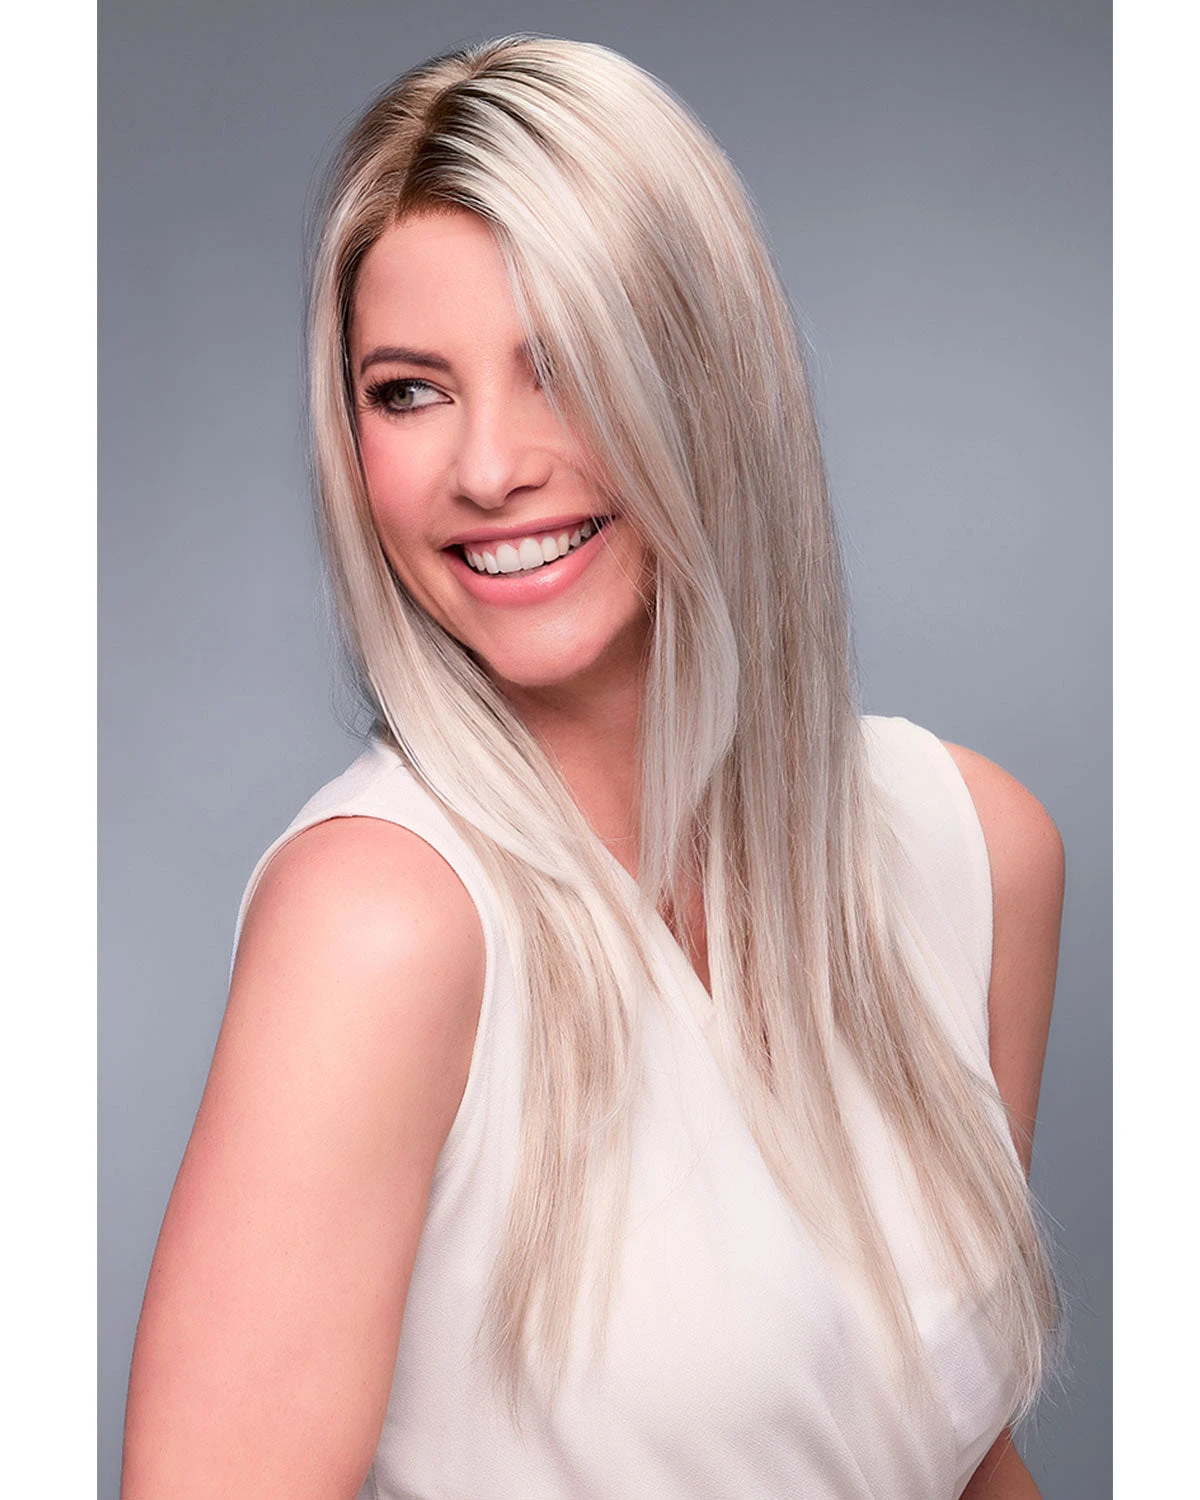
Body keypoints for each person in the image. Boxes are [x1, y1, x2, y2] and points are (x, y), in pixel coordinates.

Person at [121, 34, 1065, 1500]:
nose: (487, 467)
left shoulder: (971, 850)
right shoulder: (382, 924)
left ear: (713, 376)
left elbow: (941, 1446)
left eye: (561, 364)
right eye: (409, 391)